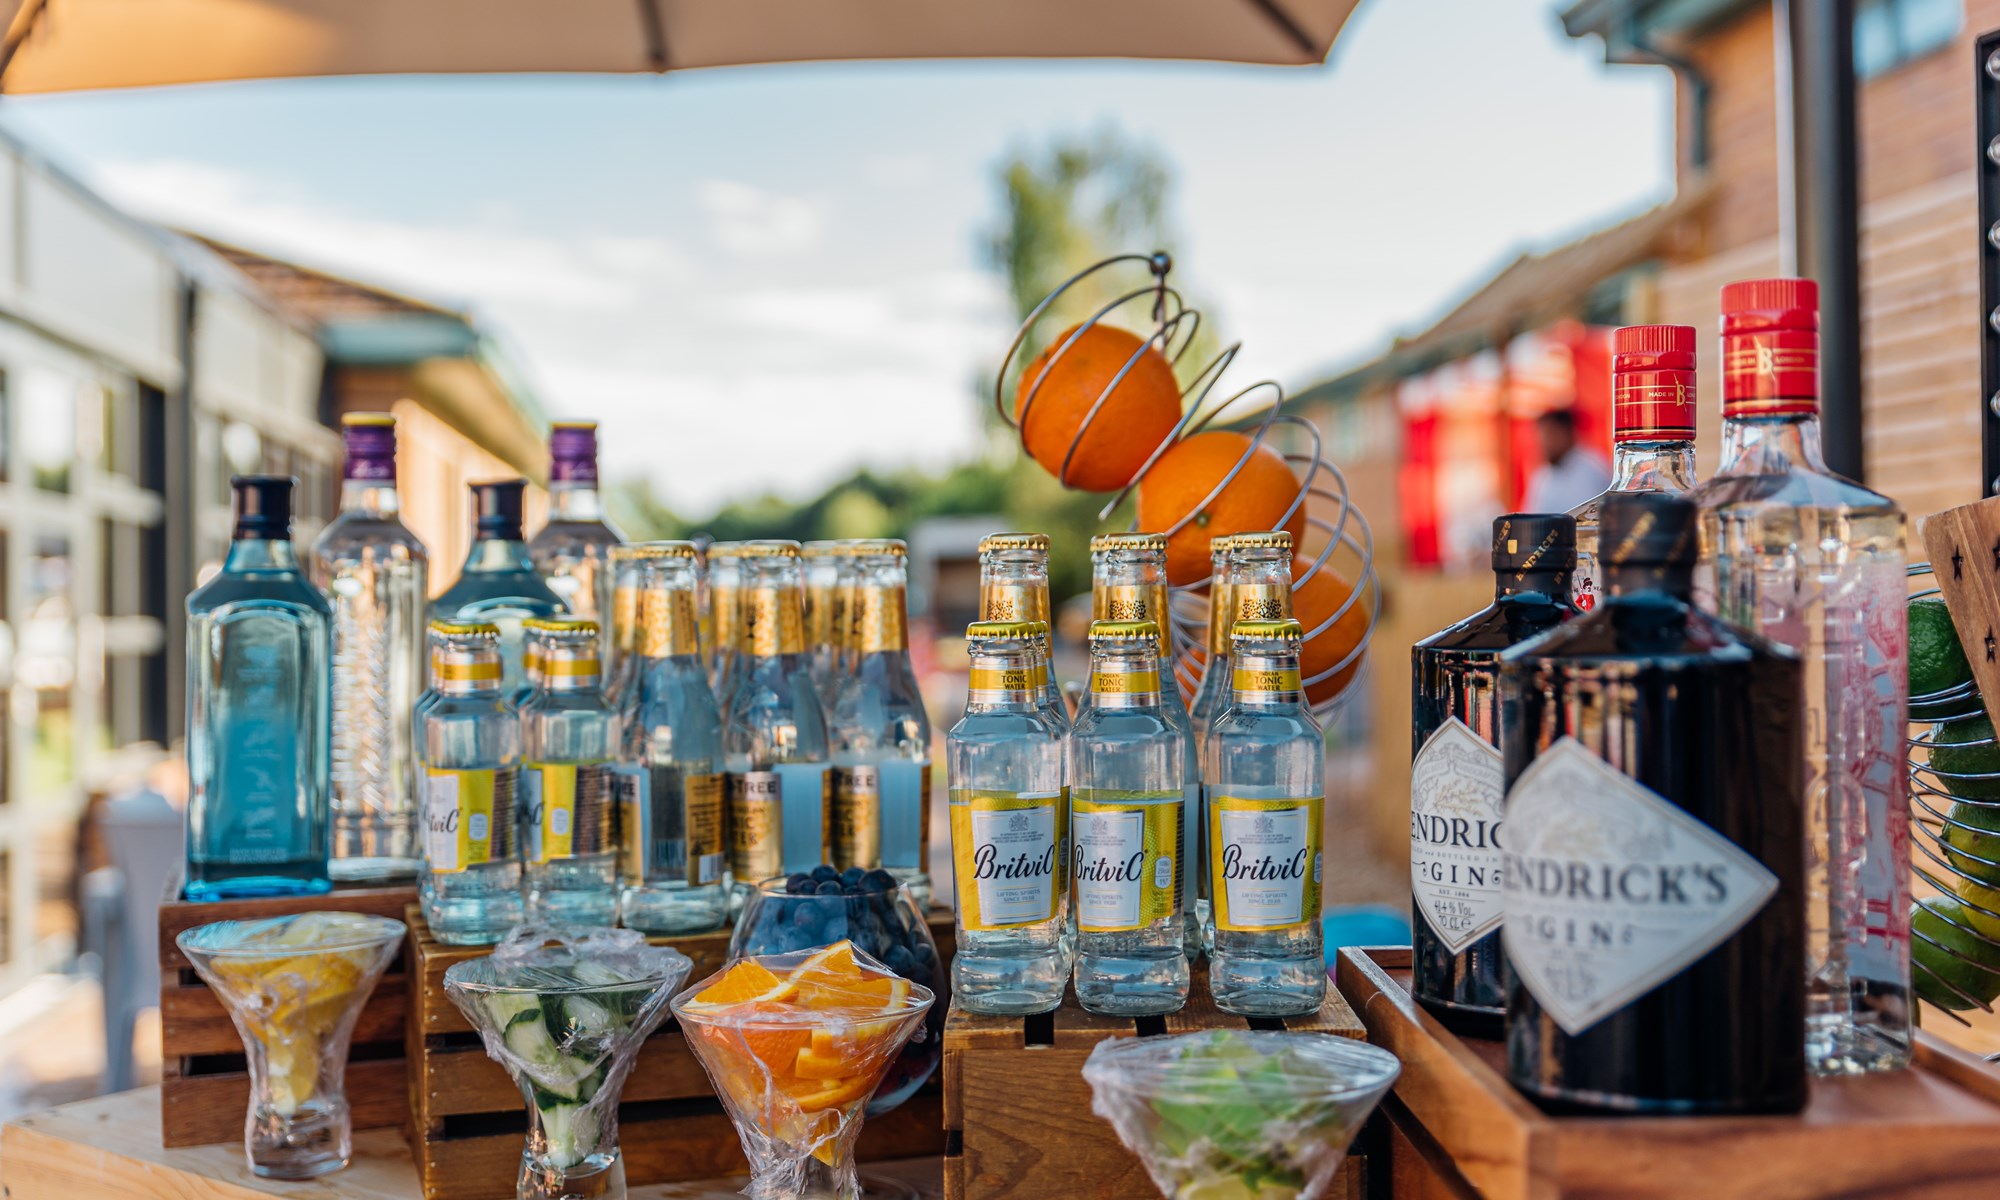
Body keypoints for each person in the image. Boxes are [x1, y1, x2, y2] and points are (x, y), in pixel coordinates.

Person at [1521, 408, 1610, 514]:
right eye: (1541, 436)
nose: (1544, 443)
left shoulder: (1591, 469)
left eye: (1550, 434)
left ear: (1567, 432)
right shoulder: (1542, 475)